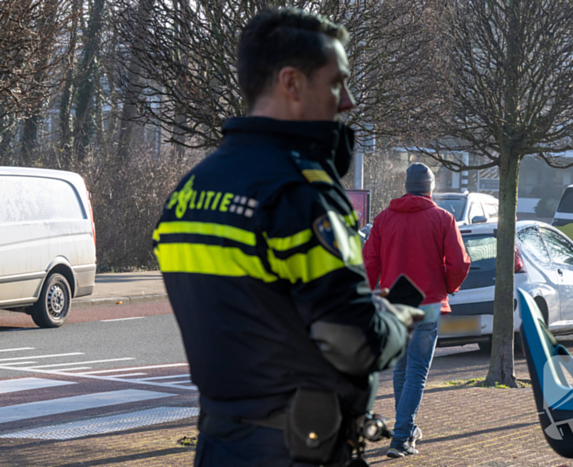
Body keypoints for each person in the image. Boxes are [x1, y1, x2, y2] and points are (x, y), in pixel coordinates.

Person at [152, 8, 423, 467]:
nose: (348, 101)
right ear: (292, 83)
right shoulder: (300, 193)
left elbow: (258, 310)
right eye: (336, 82)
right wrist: (393, 320)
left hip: (219, 445)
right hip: (296, 451)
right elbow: (354, 341)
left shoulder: (190, 191)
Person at [363, 163, 471, 458]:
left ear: (407, 186)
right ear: (430, 187)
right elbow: (460, 263)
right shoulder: (443, 218)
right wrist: (448, 286)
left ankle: (406, 430)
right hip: (428, 303)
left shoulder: (383, 219)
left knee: (401, 369)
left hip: (394, 304)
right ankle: (401, 437)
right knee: (416, 372)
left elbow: (369, 261)